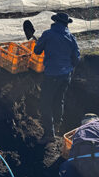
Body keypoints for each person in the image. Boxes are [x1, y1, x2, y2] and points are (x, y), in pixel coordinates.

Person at [34, 12, 80, 144]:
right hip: (66, 75)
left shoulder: (48, 34)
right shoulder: (71, 37)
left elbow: (37, 51)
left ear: (55, 22)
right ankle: (58, 125)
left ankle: (49, 134)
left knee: (45, 103)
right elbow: (76, 58)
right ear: (66, 24)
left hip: (52, 75)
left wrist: (43, 45)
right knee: (59, 100)